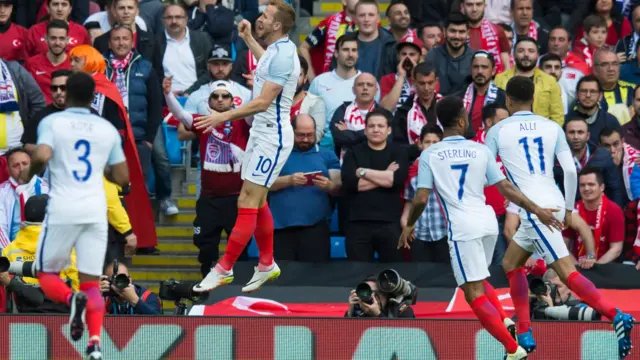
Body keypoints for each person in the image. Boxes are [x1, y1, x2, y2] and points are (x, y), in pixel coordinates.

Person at [399, 95, 561, 360]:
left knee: (472, 294)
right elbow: (506, 187)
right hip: (487, 223)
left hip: (463, 228)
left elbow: (421, 198)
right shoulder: (480, 149)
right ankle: (505, 322)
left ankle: (513, 350)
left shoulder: (429, 154)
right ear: (462, 121)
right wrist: (537, 209)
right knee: (478, 280)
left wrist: (410, 224)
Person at [485, 76, 635, 358]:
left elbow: (485, 171)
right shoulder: (552, 126)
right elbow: (568, 170)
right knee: (510, 263)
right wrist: (567, 208)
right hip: (551, 200)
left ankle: (617, 315)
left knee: (567, 273)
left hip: (535, 210)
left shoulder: (497, 131)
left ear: (507, 100)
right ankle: (526, 331)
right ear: (533, 98)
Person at [192, 0, 300, 294]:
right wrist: (250, 39)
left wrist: (222, 115)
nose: (259, 18)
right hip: (261, 134)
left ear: (277, 24)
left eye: (265, 16)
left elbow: (263, 102)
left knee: (246, 202)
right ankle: (266, 263)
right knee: (258, 199)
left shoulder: (285, 55)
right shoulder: (276, 50)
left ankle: (224, 268)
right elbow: (267, 64)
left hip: (272, 137)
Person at [25, 72, 129, 359]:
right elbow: (122, 176)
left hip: (63, 207)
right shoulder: (105, 128)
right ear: (92, 96)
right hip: (95, 210)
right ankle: (95, 343)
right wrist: (102, 168)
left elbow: (42, 155)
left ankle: (72, 301)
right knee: (91, 283)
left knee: (46, 273)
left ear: (67, 94)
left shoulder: (53, 122)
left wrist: (31, 171)